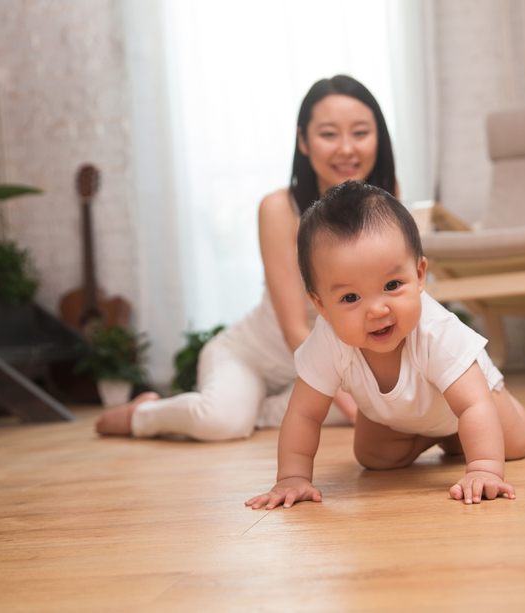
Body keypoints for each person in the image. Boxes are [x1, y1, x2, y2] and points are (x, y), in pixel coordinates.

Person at [94, 75, 398, 441]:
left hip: (324, 367)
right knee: (222, 422)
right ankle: (143, 414)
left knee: (379, 403)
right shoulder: (278, 209)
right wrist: (358, 410)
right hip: (256, 356)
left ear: (379, 137)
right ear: (303, 141)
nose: (346, 149)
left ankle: (257, 410)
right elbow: (294, 330)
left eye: (360, 133)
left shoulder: (388, 203)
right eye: (329, 134)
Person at [245, 181, 525, 509]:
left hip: (475, 399)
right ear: (321, 305)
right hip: (405, 416)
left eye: (392, 285)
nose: (377, 310)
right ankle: (441, 435)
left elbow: (473, 405)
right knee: (373, 457)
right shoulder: (328, 340)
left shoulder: (435, 331)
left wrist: (482, 469)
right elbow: (304, 414)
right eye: (350, 297)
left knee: (514, 444)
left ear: (420, 275)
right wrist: (292, 476)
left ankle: (461, 434)